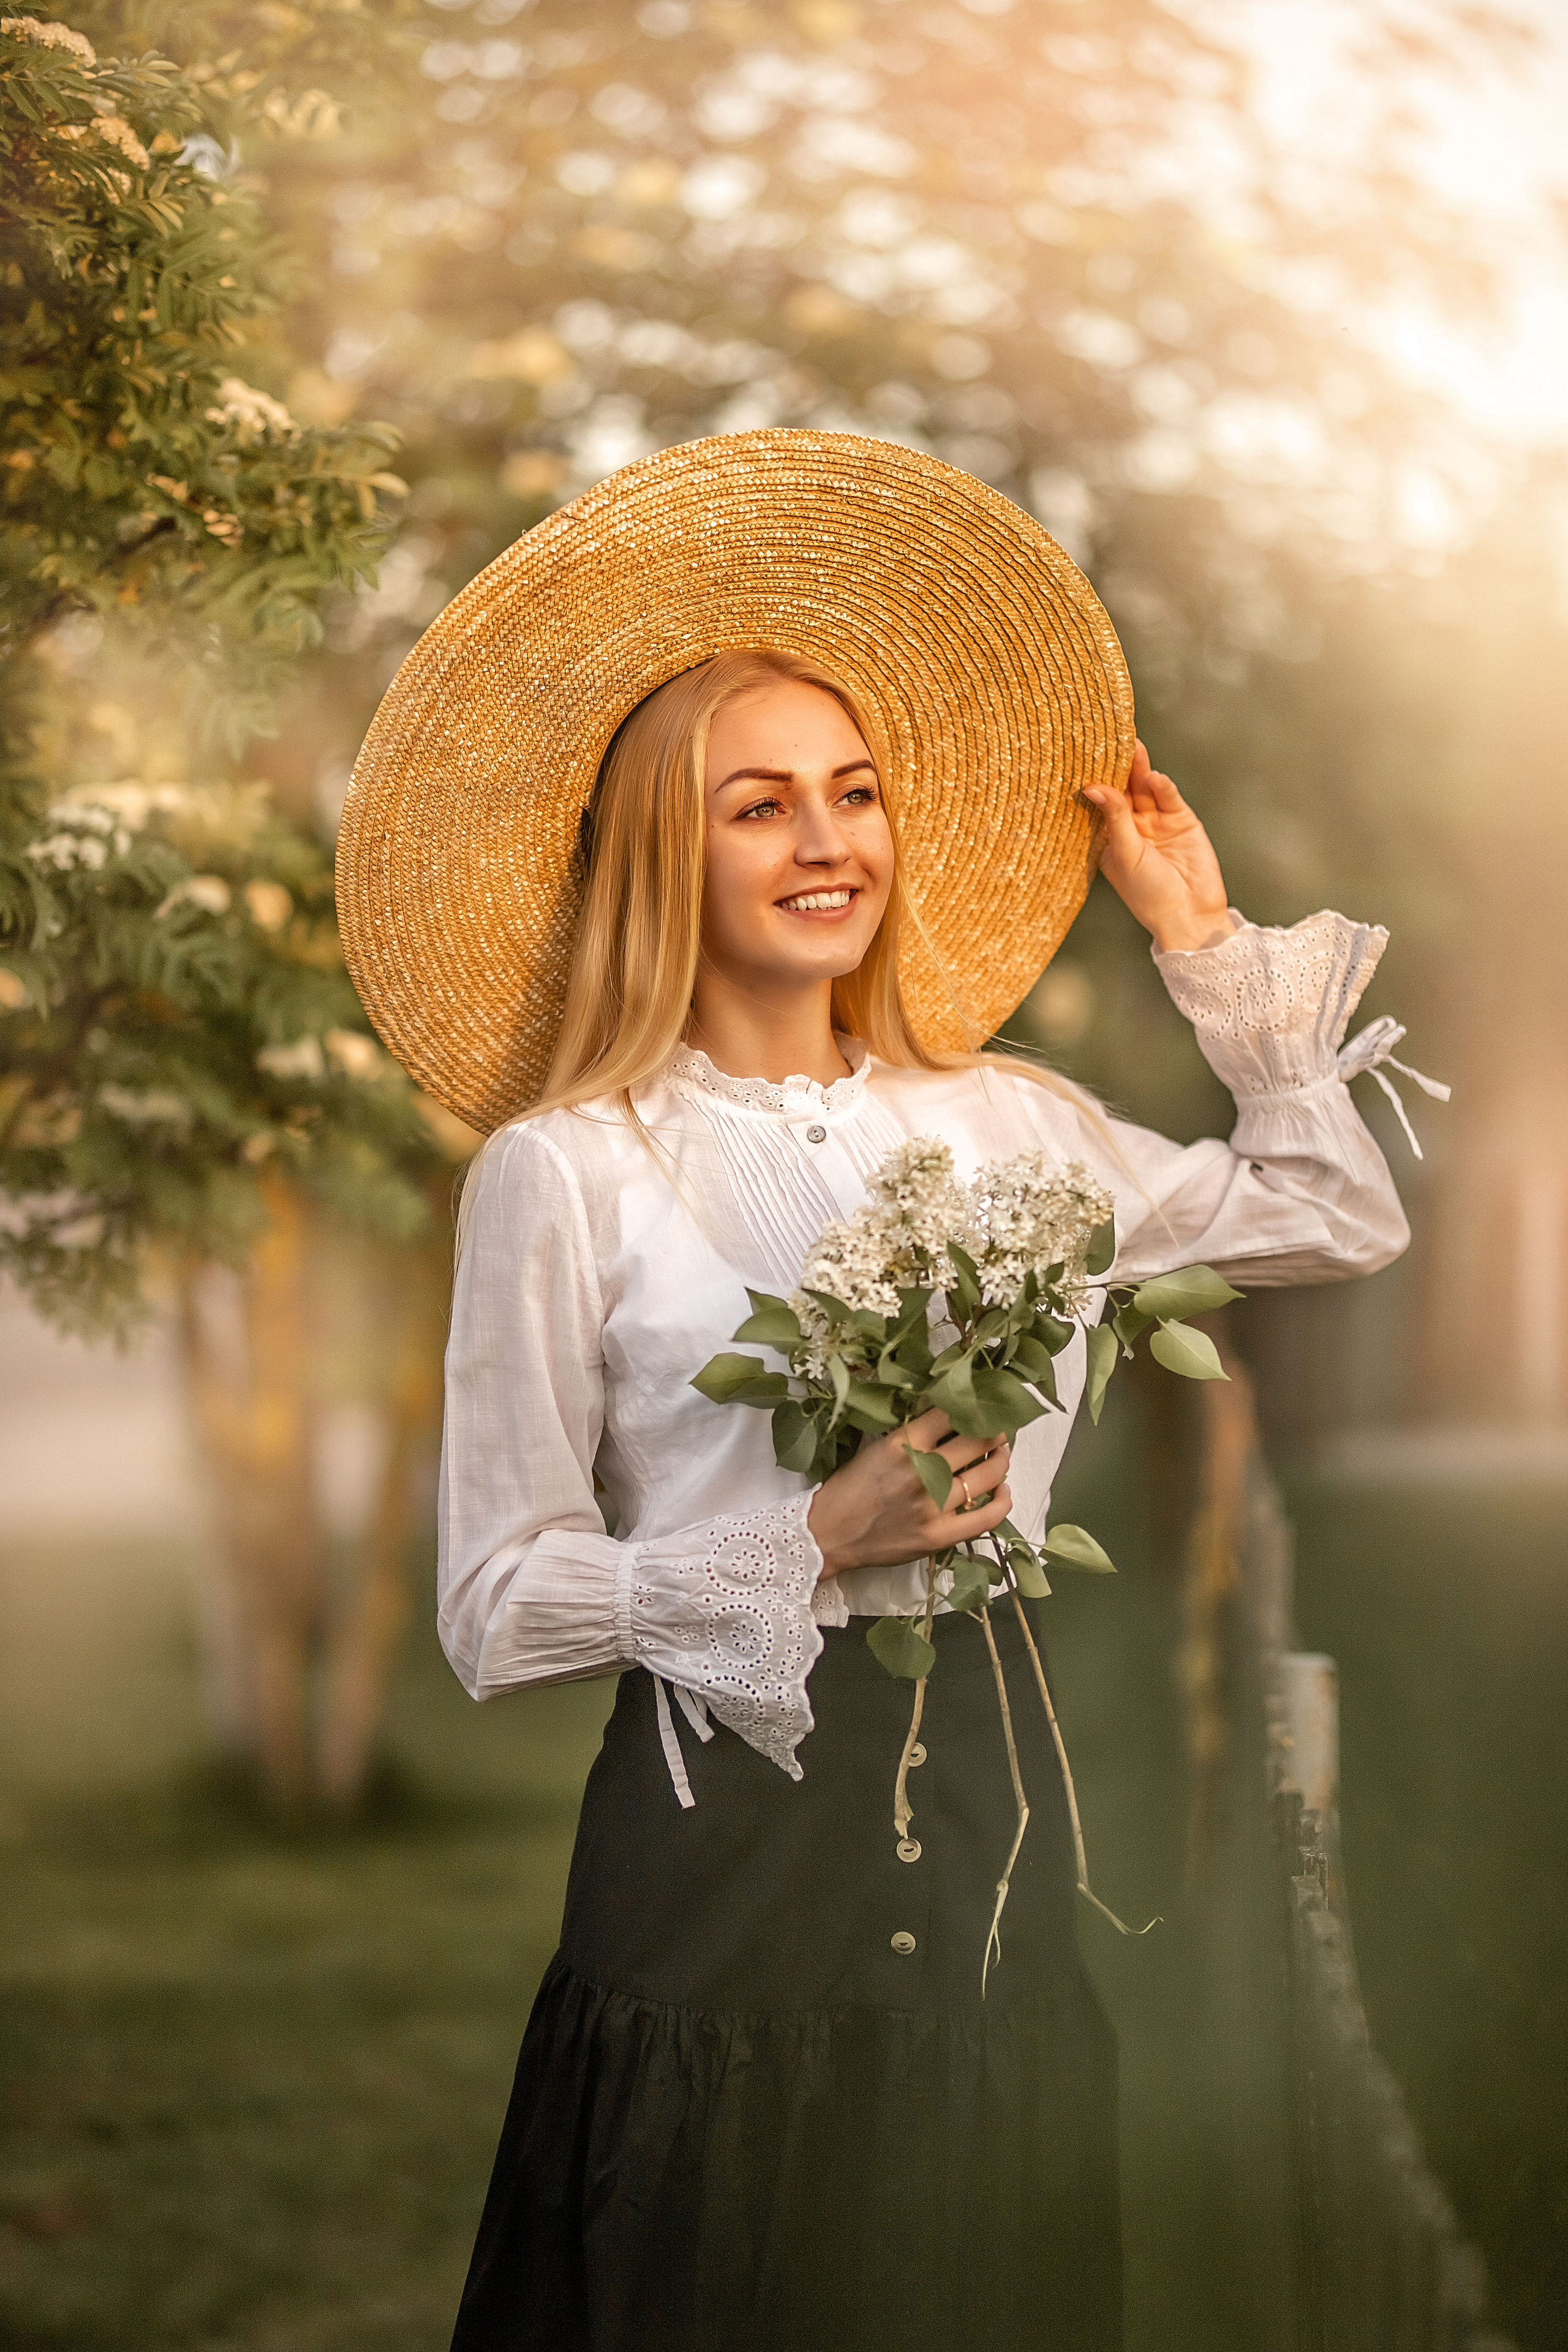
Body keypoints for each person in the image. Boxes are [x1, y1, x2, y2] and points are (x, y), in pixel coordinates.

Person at [336, 432, 1421, 2351]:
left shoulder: (1008, 1123)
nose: (827, 839)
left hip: (1006, 1847)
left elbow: (1333, 1212)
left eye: (854, 793)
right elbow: (497, 1609)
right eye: (759, 805)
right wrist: (806, 1544)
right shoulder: (568, 1169)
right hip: (722, 1888)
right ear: (666, 848)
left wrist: (1199, 939)